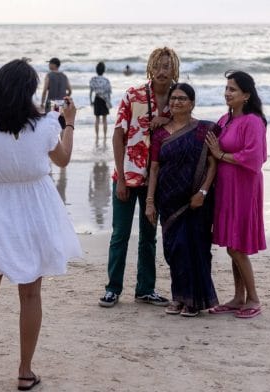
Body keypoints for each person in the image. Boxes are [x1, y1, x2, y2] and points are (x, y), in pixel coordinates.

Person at [0, 59, 81, 391]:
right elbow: (63, 160)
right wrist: (69, 123)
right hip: (37, 209)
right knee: (30, 293)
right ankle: (25, 372)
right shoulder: (45, 126)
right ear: (29, 91)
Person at [98, 47, 180, 308]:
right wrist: (121, 178)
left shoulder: (178, 99)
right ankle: (113, 289)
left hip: (157, 180)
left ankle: (145, 289)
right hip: (127, 177)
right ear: (150, 67)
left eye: (167, 66)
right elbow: (118, 136)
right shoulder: (133, 95)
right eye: (158, 65)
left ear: (174, 68)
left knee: (149, 236)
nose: (162, 71)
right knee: (120, 234)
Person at [145, 83, 220, 317]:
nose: (177, 102)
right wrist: (149, 201)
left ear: (192, 103)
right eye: (173, 98)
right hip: (168, 200)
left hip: (196, 201)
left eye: (183, 98)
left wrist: (204, 192)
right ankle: (179, 297)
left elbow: (212, 164)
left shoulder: (205, 130)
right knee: (174, 250)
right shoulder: (159, 134)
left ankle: (194, 301)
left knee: (196, 248)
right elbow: (154, 169)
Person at [205, 70, 267, 319]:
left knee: (236, 246)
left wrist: (221, 155)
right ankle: (238, 297)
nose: (227, 93)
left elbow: (255, 157)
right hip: (226, 188)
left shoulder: (253, 121)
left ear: (246, 95)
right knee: (232, 242)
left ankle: (253, 298)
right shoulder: (224, 119)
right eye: (226, 88)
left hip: (244, 187)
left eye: (233, 89)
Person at [89, 62, 112, 140]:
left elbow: (91, 92)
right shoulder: (106, 80)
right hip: (104, 100)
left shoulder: (93, 79)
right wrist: (109, 102)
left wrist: (91, 101)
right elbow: (109, 92)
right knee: (105, 119)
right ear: (104, 70)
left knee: (97, 119)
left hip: (97, 99)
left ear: (96, 70)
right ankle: (105, 136)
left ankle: (97, 136)